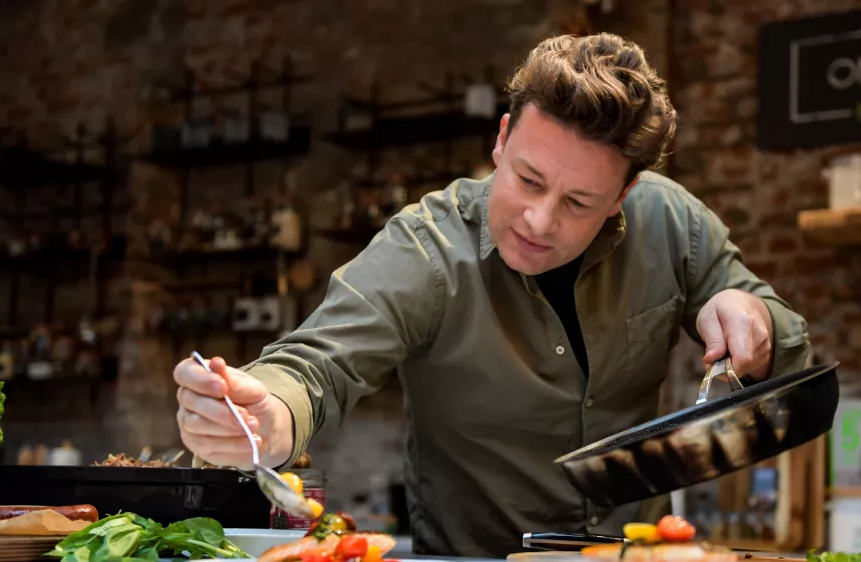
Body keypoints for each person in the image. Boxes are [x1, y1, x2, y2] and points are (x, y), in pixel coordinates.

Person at [172, 33, 812, 558]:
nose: (539, 219)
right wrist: (263, 417)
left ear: (623, 196)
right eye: (528, 179)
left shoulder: (672, 223)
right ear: (503, 139)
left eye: (578, 202)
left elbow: (786, 346)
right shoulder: (427, 247)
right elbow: (317, 366)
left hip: (635, 552)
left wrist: (752, 320)